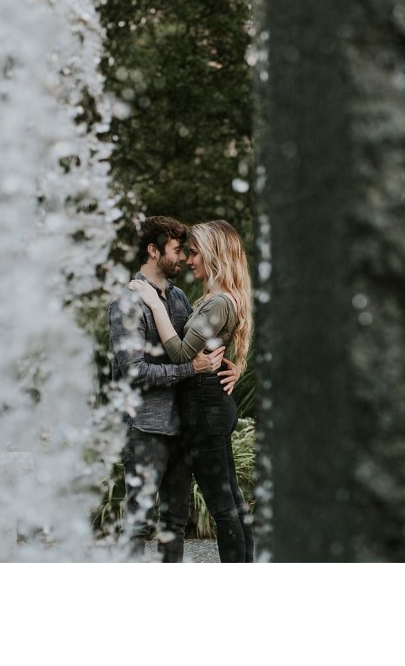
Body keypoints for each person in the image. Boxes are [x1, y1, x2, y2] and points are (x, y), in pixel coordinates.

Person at [107, 216, 236, 562]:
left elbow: (198, 349)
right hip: (145, 428)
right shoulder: (126, 304)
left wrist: (230, 366)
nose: (183, 257)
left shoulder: (178, 298)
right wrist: (190, 369)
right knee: (138, 523)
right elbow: (134, 372)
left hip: (181, 425)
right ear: (154, 250)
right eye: (177, 250)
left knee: (174, 522)